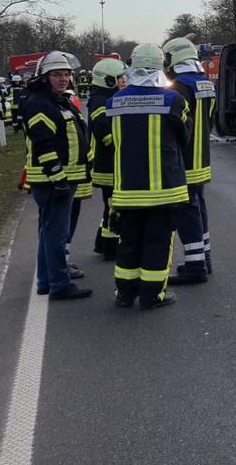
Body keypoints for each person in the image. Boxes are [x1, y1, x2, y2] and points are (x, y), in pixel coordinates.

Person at [105, 43, 188, 310]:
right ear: (162, 68)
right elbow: (184, 137)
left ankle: (125, 294)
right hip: (164, 189)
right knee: (158, 242)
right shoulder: (174, 100)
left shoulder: (114, 101)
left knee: (128, 241)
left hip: (127, 187)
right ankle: (153, 295)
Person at [22, 51, 92, 300]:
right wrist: (57, 176)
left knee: (47, 232)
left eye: (66, 74)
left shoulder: (57, 100)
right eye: (56, 75)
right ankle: (60, 285)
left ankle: (45, 282)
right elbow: (43, 145)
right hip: (54, 181)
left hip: (62, 178)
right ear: (44, 78)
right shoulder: (40, 104)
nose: (63, 79)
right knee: (55, 235)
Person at [164, 37, 216, 285]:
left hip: (183, 159)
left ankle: (195, 266)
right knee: (198, 207)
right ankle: (204, 259)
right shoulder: (205, 83)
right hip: (201, 159)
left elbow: (174, 124)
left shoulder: (178, 87)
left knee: (186, 212)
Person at [87, 57, 127, 260]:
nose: (123, 82)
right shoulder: (100, 101)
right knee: (113, 208)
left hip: (108, 165)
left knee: (110, 207)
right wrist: (126, 147)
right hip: (107, 166)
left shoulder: (102, 98)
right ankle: (110, 248)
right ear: (108, 80)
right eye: (120, 79)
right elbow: (104, 131)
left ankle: (102, 244)